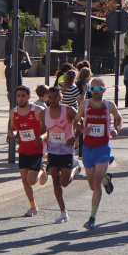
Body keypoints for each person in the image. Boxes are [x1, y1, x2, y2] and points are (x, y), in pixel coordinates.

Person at [74, 78, 123, 230]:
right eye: (92, 89)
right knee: (92, 185)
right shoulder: (85, 104)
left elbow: (119, 118)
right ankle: (106, 179)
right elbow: (75, 121)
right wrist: (82, 129)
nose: (95, 92)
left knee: (96, 184)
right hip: (88, 149)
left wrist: (116, 129)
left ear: (103, 90)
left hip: (103, 148)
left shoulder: (109, 105)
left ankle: (92, 218)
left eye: (98, 89)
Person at [9, 85, 48, 217]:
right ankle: (33, 206)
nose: (20, 98)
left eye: (23, 96)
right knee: (25, 180)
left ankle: (42, 170)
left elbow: (46, 130)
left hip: (37, 149)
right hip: (23, 150)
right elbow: (14, 128)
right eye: (18, 96)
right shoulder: (13, 112)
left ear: (29, 97)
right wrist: (13, 133)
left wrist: (41, 138)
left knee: (31, 181)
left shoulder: (37, 110)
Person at [43, 86, 81, 224]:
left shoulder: (69, 110)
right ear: (47, 97)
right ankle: (63, 212)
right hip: (53, 150)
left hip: (67, 150)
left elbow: (80, 124)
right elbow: (45, 130)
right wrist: (44, 141)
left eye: (55, 97)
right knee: (55, 181)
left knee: (63, 183)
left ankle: (75, 167)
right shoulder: (45, 113)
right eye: (50, 97)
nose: (53, 100)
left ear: (60, 97)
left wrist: (75, 137)